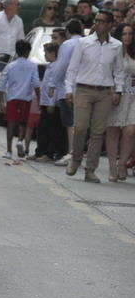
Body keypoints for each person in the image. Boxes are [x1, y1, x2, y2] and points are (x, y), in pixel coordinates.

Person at [64, 10, 124, 183]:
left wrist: (118, 91)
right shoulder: (84, 42)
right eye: (96, 20)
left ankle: (90, 169)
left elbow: (119, 70)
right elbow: (72, 68)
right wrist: (68, 89)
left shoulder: (117, 46)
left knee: (98, 132)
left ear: (110, 25)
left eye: (102, 21)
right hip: (84, 89)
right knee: (81, 127)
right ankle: (75, 159)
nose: (98, 24)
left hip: (104, 92)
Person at [47, 19, 84, 166]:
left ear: (68, 31)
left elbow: (61, 65)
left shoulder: (67, 44)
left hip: (67, 88)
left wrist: (52, 84)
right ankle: (77, 152)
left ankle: (72, 153)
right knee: (80, 124)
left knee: (70, 124)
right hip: (84, 88)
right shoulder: (86, 42)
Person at [0, 39, 40, 162]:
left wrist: (0, 101)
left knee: (11, 123)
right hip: (26, 99)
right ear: (27, 52)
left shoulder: (10, 66)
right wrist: (39, 99)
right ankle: (20, 141)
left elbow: (1, 84)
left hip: (12, 98)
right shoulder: (32, 66)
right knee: (23, 123)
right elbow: (36, 84)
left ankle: (9, 150)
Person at [104, 23, 135, 182]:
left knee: (131, 131)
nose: (127, 37)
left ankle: (122, 163)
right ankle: (112, 168)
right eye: (124, 34)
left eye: (130, 34)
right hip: (115, 94)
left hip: (132, 96)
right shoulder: (112, 51)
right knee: (113, 131)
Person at [34, 42, 67, 161]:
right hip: (45, 102)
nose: (44, 55)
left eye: (46, 53)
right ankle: (40, 151)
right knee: (42, 128)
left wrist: (52, 102)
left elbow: (55, 86)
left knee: (51, 129)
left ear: (53, 53)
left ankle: (49, 153)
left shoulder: (57, 67)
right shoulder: (49, 66)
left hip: (51, 103)